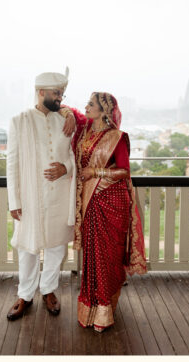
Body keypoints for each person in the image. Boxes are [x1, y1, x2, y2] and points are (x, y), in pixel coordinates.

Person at [66, 92, 147, 332]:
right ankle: (91, 304)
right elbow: (70, 113)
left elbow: (123, 171)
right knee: (92, 255)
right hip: (90, 201)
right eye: (87, 104)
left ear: (104, 111)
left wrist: (95, 173)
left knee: (108, 256)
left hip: (111, 200)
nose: (86, 107)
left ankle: (104, 308)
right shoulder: (85, 133)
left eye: (91, 104)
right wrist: (65, 111)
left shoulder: (117, 137)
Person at [4, 68, 76, 321]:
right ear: (41, 92)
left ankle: (49, 291)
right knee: (28, 249)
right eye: (57, 93)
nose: (61, 98)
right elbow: (12, 163)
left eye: (62, 94)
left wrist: (65, 168)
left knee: (56, 248)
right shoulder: (19, 120)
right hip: (30, 197)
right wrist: (14, 200)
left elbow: (73, 157)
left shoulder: (65, 123)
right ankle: (25, 295)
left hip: (58, 195)